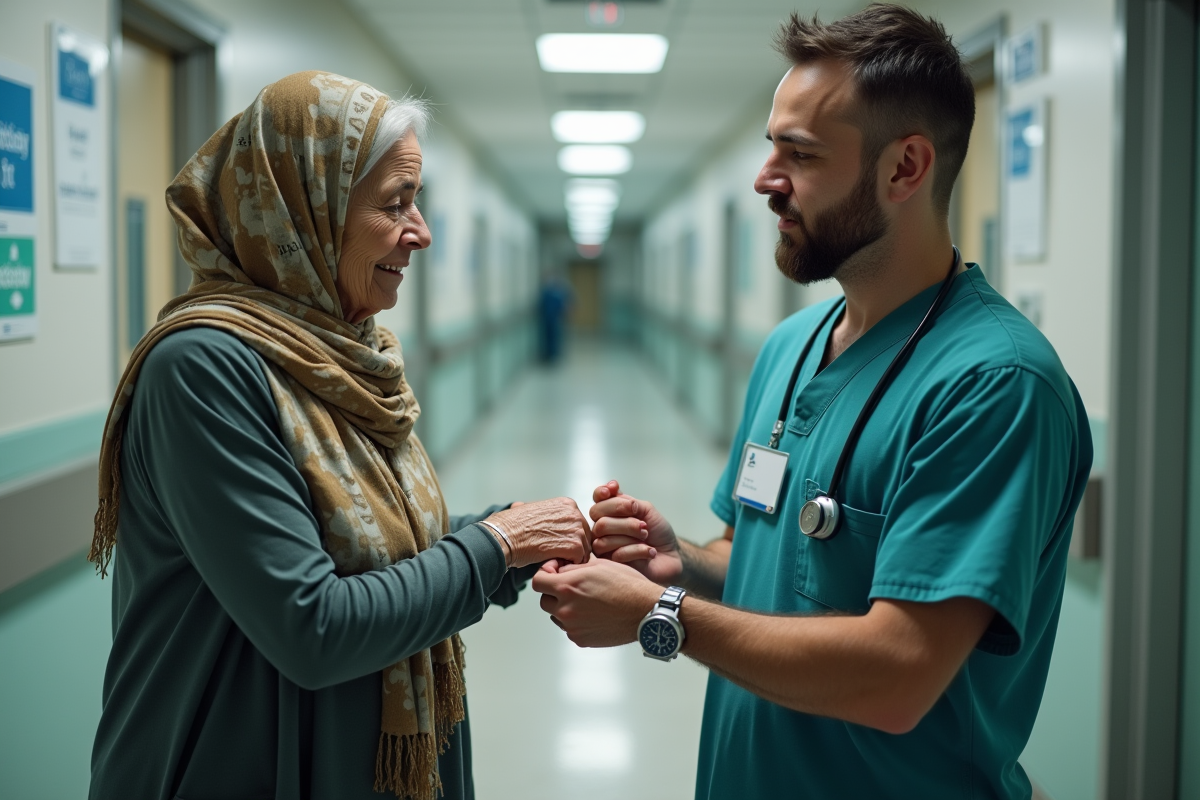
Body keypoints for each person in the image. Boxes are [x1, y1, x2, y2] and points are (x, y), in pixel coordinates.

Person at [533, 6, 1092, 799]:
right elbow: (757, 560)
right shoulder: (789, 349)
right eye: (770, 146)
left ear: (905, 169)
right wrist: (677, 562)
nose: (766, 178)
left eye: (799, 154)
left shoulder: (994, 385)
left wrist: (662, 615)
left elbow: (899, 677)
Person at [87, 71, 591, 800]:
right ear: (307, 211)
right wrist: (496, 545)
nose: (420, 232)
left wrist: (522, 539)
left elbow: (364, 541)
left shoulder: (347, 354)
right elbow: (314, 624)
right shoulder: (203, 367)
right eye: (396, 204)